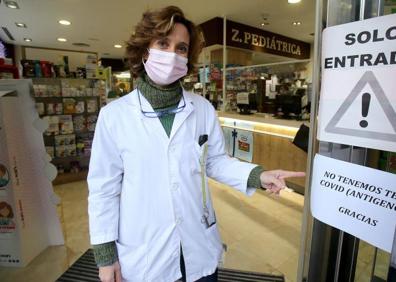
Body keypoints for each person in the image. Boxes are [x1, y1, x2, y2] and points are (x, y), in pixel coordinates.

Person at [87, 6, 305, 282]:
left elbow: (215, 161)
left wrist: (258, 175)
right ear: (145, 51)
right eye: (163, 43)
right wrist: (106, 257)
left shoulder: (201, 108)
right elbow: (103, 190)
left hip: (198, 248)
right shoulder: (114, 116)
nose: (172, 54)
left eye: (181, 48)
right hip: (145, 254)